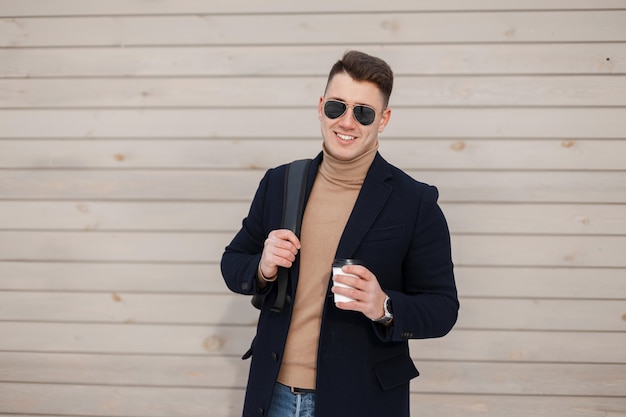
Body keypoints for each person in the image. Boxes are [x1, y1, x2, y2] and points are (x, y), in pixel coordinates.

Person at [221, 50, 459, 417]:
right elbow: (233, 262)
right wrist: (262, 268)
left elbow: (443, 309)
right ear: (320, 107)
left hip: (360, 399)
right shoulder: (280, 182)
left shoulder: (416, 201)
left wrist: (384, 306)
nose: (347, 122)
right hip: (274, 395)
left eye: (363, 112)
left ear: (383, 119)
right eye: (337, 107)